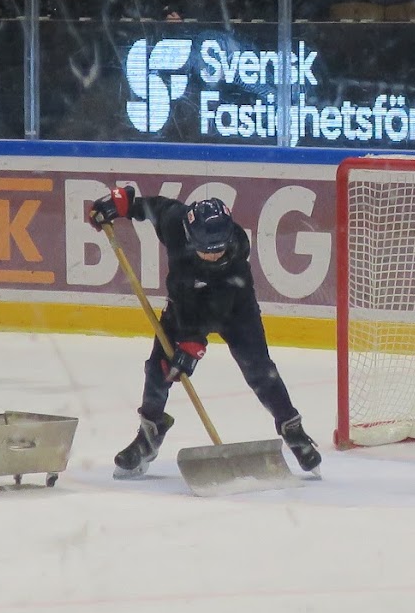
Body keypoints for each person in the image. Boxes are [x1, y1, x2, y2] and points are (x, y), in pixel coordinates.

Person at [87, 186, 322, 479]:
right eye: (204, 250)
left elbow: (215, 311)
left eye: (217, 250)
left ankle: (292, 428)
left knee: (259, 369)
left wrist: (193, 344)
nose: (212, 256)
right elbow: (154, 207)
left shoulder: (236, 255)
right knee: (158, 371)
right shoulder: (176, 222)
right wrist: (122, 204)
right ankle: (149, 433)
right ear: (188, 234)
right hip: (183, 307)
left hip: (235, 309)